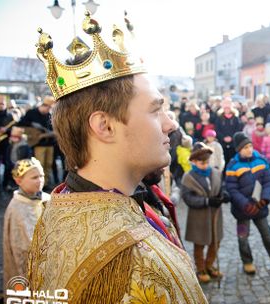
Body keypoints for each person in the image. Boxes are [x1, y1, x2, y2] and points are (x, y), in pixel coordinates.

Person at [29, 15, 206, 302]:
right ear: (105, 127)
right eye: (154, 110)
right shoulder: (127, 261)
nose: (170, 124)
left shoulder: (60, 207)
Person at [225, 132, 270, 274]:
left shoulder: (261, 160)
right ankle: (247, 261)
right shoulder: (233, 166)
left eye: (250, 146)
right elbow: (231, 189)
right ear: (239, 150)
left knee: (268, 235)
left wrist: (264, 200)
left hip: (260, 207)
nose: (249, 149)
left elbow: (268, 181)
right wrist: (245, 204)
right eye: (245, 147)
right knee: (242, 237)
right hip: (242, 211)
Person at [181, 142, 230, 283]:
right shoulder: (188, 177)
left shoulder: (215, 172)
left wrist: (224, 194)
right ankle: (201, 268)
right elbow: (188, 198)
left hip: (215, 215)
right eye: (202, 162)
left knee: (216, 241)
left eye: (207, 162)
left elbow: (222, 186)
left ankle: (209, 265)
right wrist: (207, 201)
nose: (205, 165)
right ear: (194, 161)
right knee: (200, 243)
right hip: (199, 217)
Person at [3, 158, 49, 285]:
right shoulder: (16, 208)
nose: (40, 180)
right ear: (19, 180)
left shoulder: (48, 199)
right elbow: (20, 249)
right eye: (34, 177)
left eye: (42, 176)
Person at [17, 96, 56, 187]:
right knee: (40, 164)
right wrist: (32, 125)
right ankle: (40, 184)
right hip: (38, 144)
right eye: (48, 107)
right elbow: (21, 124)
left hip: (50, 143)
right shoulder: (31, 113)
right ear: (43, 105)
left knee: (48, 164)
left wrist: (47, 134)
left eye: (50, 108)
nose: (49, 110)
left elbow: (53, 130)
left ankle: (45, 183)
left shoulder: (50, 115)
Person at [0, 95, 15, 192]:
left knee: (8, 164)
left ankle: (6, 184)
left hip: (6, 143)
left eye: (2, 104)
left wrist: (7, 131)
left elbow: (13, 129)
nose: (0, 105)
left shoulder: (10, 115)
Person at [215, 97, 242, 166]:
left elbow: (238, 129)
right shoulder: (219, 118)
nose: (227, 109)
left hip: (233, 144)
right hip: (222, 144)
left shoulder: (236, 119)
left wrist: (232, 138)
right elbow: (217, 130)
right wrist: (223, 138)